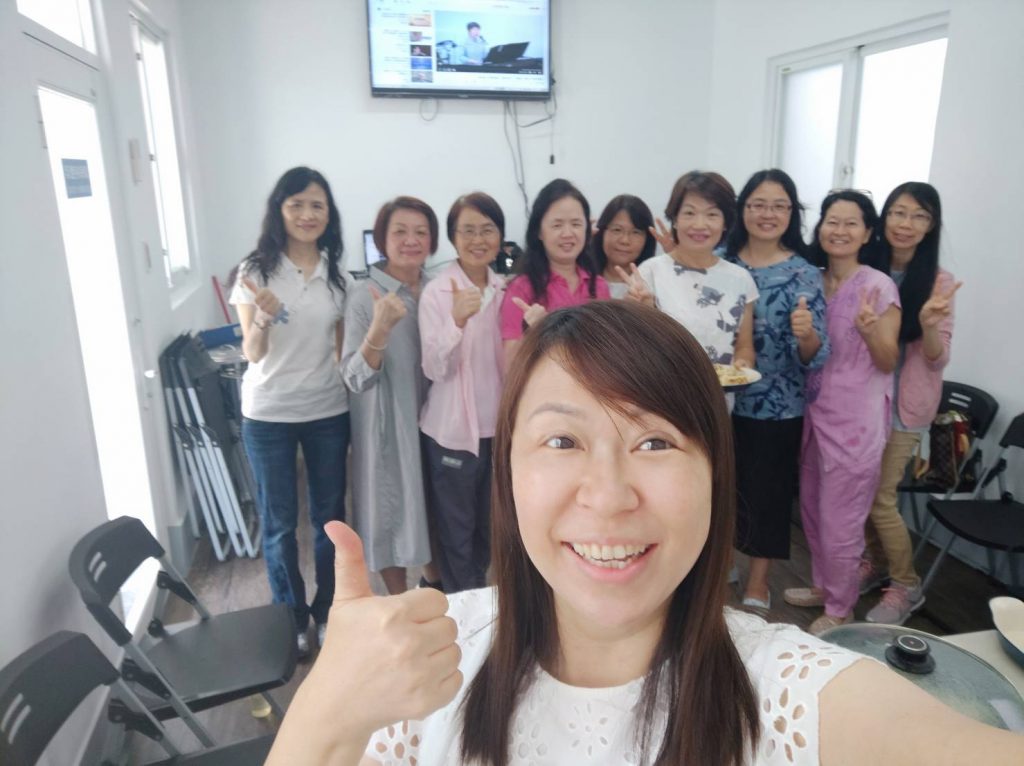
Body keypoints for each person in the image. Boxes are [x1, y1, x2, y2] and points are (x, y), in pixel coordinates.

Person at [265, 301, 1024, 766]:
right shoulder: (424, 666)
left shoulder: (792, 692)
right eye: (562, 441)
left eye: (656, 442)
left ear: (715, 475)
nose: (608, 496)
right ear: (509, 473)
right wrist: (327, 707)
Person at [229, 166, 349, 657]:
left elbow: (341, 351)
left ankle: (328, 612)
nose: (307, 214)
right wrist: (261, 317)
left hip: (327, 409)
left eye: (317, 205)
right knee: (279, 524)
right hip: (269, 414)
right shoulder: (255, 271)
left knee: (329, 520)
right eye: (296, 204)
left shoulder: (337, 276)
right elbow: (252, 352)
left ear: (329, 214)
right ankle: (291, 617)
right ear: (279, 210)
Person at [783, 191, 901, 635]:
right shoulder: (811, 280)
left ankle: (841, 606)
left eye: (852, 223)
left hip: (856, 422)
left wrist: (869, 332)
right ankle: (824, 586)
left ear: (868, 233)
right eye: (832, 221)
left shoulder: (877, 286)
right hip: (814, 412)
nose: (840, 231)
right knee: (813, 508)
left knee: (842, 520)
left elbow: (888, 360)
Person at [723, 169, 830, 611]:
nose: (768, 214)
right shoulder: (719, 261)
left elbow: (815, 356)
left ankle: (758, 582)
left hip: (778, 404)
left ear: (792, 213)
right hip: (717, 399)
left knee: (767, 494)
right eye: (758, 204)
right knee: (718, 487)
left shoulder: (804, 273)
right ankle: (721, 563)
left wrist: (807, 334)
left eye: (779, 206)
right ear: (742, 210)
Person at [860, 182, 961, 624]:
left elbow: (938, 359)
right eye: (899, 212)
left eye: (919, 216)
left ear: (931, 225)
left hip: (907, 408)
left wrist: (929, 325)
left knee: (880, 498)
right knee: (862, 491)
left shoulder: (939, 282)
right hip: (863, 400)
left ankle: (907, 586)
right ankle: (876, 562)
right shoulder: (868, 268)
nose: (906, 224)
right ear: (884, 218)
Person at [341, 196, 440, 596]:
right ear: (382, 239)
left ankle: (435, 586)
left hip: (436, 417)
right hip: (387, 420)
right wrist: (379, 329)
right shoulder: (364, 295)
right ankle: (398, 601)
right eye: (400, 231)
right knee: (387, 510)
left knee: (431, 508)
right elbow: (353, 377)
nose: (411, 240)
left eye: (421, 232)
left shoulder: (438, 289)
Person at [418, 193, 506, 593]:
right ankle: (463, 614)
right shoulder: (437, 292)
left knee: (490, 527)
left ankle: (478, 600)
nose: (478, 239)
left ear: (500, 236)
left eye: (487, 229)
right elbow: (434, 369)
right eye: (467, 230)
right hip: (451, 433)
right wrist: (455, 322)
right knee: (456, 532)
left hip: (497, 429)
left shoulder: (506, 290)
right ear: (453, 238)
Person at [623, 170, 757, 369]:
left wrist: (743, 364)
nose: (699, 224)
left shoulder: (740, 278)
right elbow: (634, 346)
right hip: (665, 386)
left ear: (725, 223)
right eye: (689, 213)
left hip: (720, 388)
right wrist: (640, 310)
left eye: (712, 214)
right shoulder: (650, 272)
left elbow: (744, 347)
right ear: (675, 219)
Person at [499, 178, 610, 370]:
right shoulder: (521, 289)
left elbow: (607, 351)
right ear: (539, 232)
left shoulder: (598, 285)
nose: (568, 233)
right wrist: (533, 335)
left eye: (576, 224)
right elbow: (510, 368)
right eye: (557, 225)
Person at [591, 194, 657, 299]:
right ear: (601, 232)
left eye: (635, 232)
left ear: (647, 239)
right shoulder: (582, 279)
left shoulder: (656, 284)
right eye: (617, 230)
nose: (625, 240)